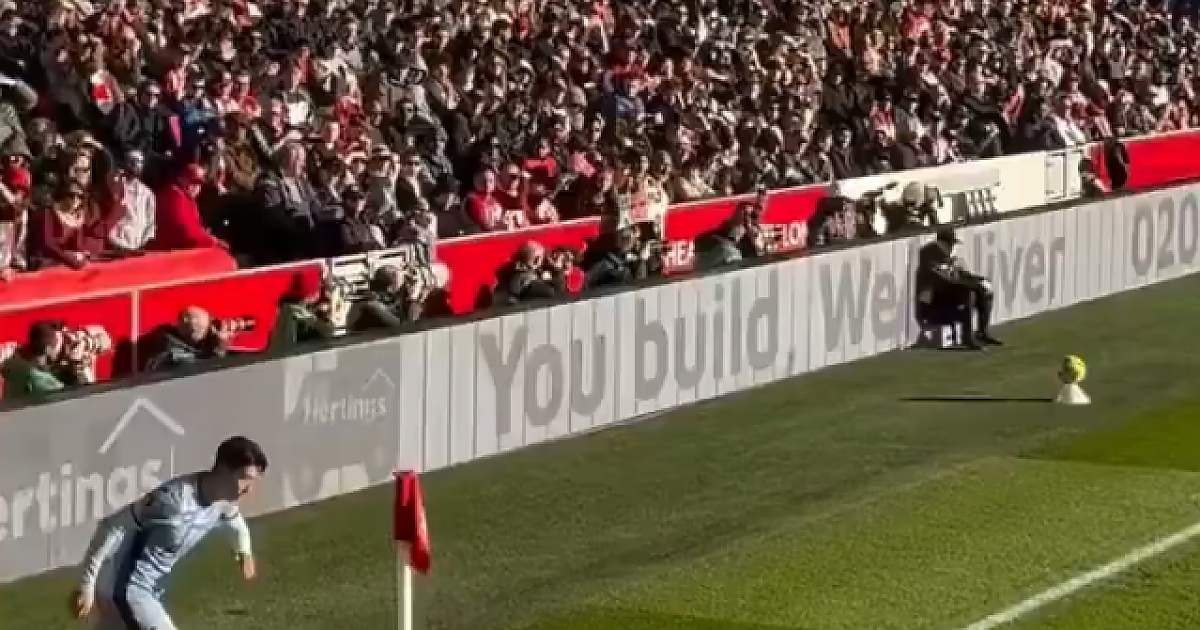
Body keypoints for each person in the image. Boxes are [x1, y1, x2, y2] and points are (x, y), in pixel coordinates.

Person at [71, 436, 268, 630]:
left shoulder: (223, 501)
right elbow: (112, 526)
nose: (249, 489)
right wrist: (86, 585)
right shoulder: (172, 500)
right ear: (224, 470)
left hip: (146, 588)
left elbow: (236, 522)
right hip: (126, 589)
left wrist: (244, 552)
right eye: (245, 479)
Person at [915, 228, 1002, 350]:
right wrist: (973, 284)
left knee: (984, 290)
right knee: (967, 292)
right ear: (941, 244)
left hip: (947, 299)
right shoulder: (930, 257)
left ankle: (982, 333)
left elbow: (961, 275)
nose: (952, 247)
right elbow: (943, 281)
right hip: (933, 307)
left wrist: (980, 281)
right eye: (951, 244)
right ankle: (967, 338)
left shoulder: (946, 257)